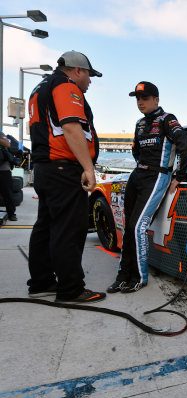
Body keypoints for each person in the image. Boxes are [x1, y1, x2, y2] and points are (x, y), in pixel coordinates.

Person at [27, 50, 106, 303]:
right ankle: (70, 289)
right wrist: (88, 168)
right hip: (63, 168)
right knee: (69, 229)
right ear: (77, 71)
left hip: (45, 168)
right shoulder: (65, 85)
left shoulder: (40, 87)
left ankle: (41, 282)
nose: (90, 82)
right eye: (89, 75)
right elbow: (72, 127)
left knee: (46, 227)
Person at [107, 81, 187, 293]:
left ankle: (139, 277)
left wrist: (178, 175)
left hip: (157, 176)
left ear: (156, 100)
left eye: (144, 98)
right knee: (128, 228)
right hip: (138, 176)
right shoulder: (139, 124)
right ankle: (123, 275)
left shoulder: (167, 119)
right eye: (137, 99)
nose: (140, 102)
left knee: (138, 227)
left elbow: (184, 146)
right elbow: (136, 151)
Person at [0, 131, 17, 221]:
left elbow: (7, 144)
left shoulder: (1, 134)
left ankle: (11, 214)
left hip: (3, 170)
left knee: (7, 193)